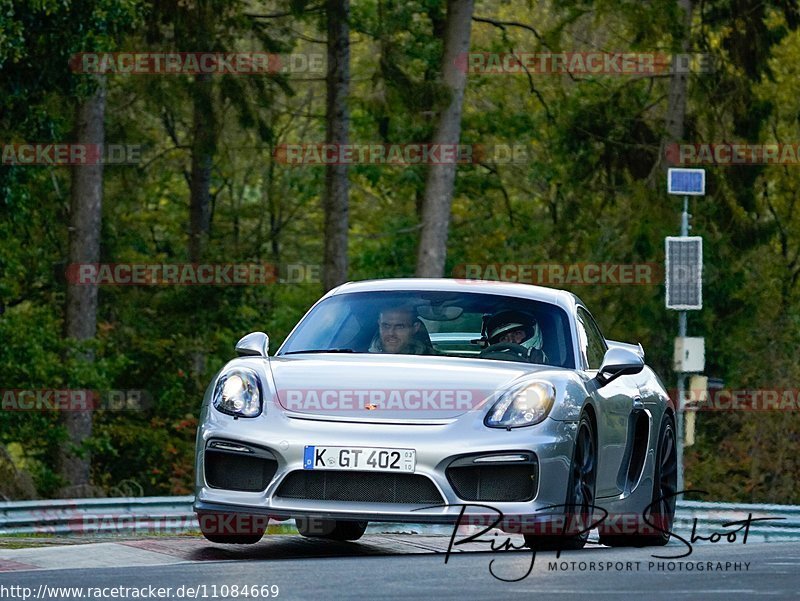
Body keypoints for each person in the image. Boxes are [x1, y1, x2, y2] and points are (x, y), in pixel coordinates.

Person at [483, 309, 548, 363]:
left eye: (517, 334)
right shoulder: (488, 368)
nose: (511, 341)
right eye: (504, 338)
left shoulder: (549, 369)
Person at [368, 304, 436, 355]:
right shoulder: (361, 359)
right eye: (386, 326)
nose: (391, 333)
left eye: (399, 327)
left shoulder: (435, 361)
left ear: (415, 328)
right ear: (379, 324)